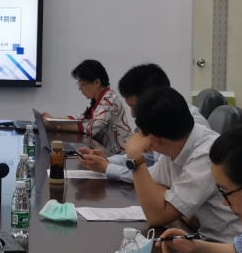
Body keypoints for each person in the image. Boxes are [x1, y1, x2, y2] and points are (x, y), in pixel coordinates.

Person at [124, 86, 242, 240]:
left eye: (139, 132)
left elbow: (156, 216)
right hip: (200, 235)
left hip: (230, 246)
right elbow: (154, 188)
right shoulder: (178, 142)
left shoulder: (207, 155)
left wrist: (135, 157)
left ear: (153, 139)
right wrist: (171, 206)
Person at [76, 63, 209, 181]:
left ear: (152, 98)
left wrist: (107, 168)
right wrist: (106, 161)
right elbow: (149, 158)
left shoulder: (186, 123)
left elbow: (155, 175)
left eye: (134, 106)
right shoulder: (159, 118)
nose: (133, 115)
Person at [52, 59, 132, 155]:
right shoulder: (96, 101)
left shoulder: (110, 100)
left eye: (82, 84)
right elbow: (80, 118)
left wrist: (57, 126)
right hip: (107, 154)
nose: (79, 88)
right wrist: (53, 120)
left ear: (97, 82)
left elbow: (92, 128)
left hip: (122, 156)